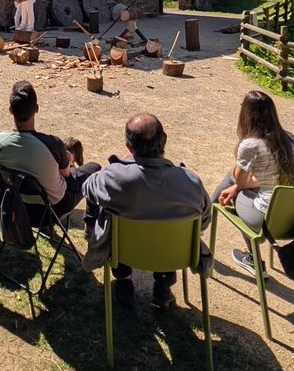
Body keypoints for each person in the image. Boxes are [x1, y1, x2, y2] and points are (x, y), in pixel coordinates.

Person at [81, 114, 211, 308]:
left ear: (129, 146)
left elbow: (87, 187)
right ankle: (163, 287)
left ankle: (124, 282)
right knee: (166, 230)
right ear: (164, 139)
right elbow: (204, 221)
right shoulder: (191, 182)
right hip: (174, 252)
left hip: (124, 252)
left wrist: (120, 165)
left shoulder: (115, 178)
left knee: (114, 222)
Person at [213, 91, 294, 276]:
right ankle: (204, 216)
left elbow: (239, 180)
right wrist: (238, 184)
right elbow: (276, 177)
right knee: (237, 185)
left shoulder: (251, 144)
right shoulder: (291, 139)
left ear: (246, 115)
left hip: (269, 223)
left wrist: (237, 186)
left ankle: (252, 258)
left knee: (234, 184)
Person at [0, 81, 100, 220]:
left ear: (10, 110)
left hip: (15, 206)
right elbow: (67, 174)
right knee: (95, 169)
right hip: (50, 212)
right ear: (36, 108)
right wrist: (67, 159)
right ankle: (91, 224)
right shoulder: (53, 144)